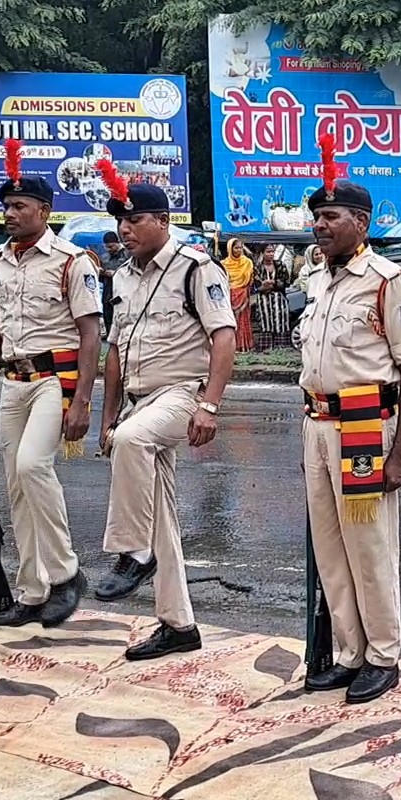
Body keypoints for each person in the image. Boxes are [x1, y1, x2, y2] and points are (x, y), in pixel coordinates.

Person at [0, 141, 101, 628]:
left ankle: (67, 573)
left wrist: (83, 402)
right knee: (15, 487)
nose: (9, 214)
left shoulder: (74, 261)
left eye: (19, 206)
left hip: (58, 377)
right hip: (13, 381)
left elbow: (92, 332)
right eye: (6, 206)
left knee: (34, 467)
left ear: (45, 212)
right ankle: (32, 592)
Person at [297, 137, 401, 704]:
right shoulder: (317, 280)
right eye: (317, 217)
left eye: (331, 217)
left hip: (366, 426)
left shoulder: (388, 282)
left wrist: (400, 455)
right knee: (330, 545)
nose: (320, 226)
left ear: (361, 221)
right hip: (316, 425)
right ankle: (349, 652)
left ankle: (383, 654)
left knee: (370, 545)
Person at [93, 164, 236, 660]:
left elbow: (224, 337)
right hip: (135, 400)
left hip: (180, 394)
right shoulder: (122, 278)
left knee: (135, 442)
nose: (124, 230)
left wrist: (210, 405)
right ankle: (179, 625)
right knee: (163, 522)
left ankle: (131, 554)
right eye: (119, 222)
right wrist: (106, 417)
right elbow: (113, 351)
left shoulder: (197, 269)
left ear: (164, 219)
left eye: (134, 219)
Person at [222, 237, 255, 352]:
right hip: (228, 297)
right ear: (230, 249)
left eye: (240, 247)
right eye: (236, 248)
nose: (239, 250)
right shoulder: (224, 264)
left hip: (243, 295)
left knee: (243, 321)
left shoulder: (247, 263)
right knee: (230, 322)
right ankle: (231, 347)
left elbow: (250, 281)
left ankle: (244, 346)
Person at [254, 245, 290, 348]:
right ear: (263, 253)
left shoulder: (280, 265)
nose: (271, 254)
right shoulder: (258, 267)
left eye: (272, 252)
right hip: (264, 299)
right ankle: (266, 347)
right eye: (268, 252)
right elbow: (256, 286)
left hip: (279, 299)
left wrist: (274, 283)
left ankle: (281, 347)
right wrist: (264, 286)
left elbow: (286, 281)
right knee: (266, 321)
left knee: (281, 321)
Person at [99, 231, 129, 339]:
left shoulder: (128, 254)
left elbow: (131, 272)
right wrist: (100, 273)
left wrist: (115, 273)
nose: (108, 249)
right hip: (108, 290)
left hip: (123, 291)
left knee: (121, 314)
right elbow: (101, 278)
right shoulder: (104, 257)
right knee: (108, 314)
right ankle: (109, 336)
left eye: (111, 247)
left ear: (117, 243)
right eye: (106, 247)